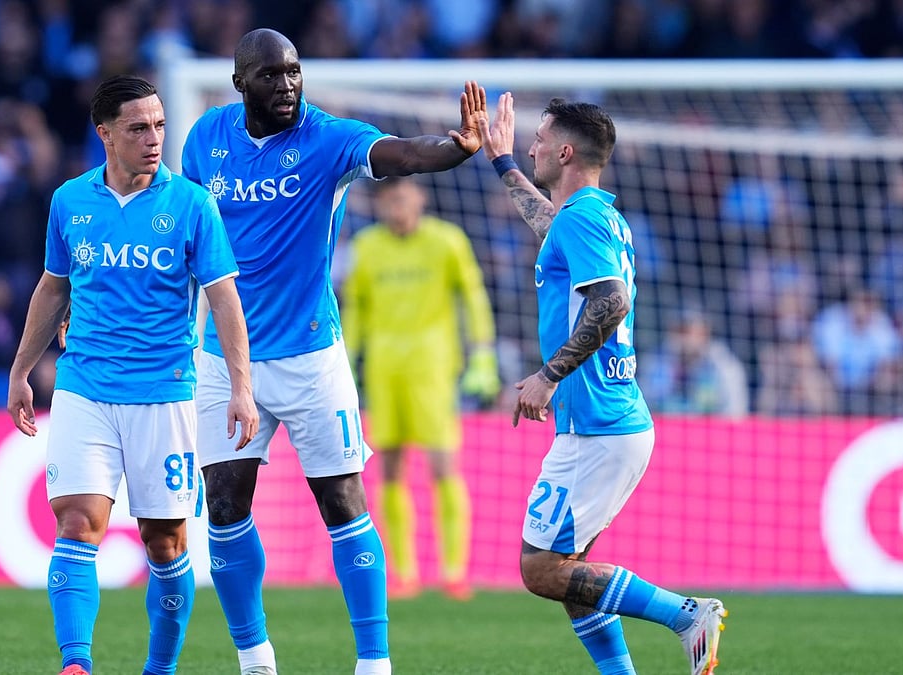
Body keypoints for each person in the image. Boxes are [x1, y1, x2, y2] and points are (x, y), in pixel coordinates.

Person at [179, 28, 487, 675]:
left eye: (293, 72)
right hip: (224, 358)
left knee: (344, 502)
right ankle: (254, 657)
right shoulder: (204, 140)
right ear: (241, 84)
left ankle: (374, 662)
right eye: (271, 75)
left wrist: (454, 149)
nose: (287, 85)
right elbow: (191, 236)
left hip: (312, 358)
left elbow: (399, 153)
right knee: (226, 505)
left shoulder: (327, 139)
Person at [7, 75, 259, 675]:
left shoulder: (193, 204)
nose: (154, 139)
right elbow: (53, 286)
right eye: (138, 128)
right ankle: (76, 664)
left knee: (165, 542)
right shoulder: (71, 201)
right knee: (76, 521)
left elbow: (224, 299)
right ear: (106, 135)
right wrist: (20, 370)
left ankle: (159, 670)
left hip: (164, 393)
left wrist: (242, 388)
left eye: (160, 126)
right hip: (84, 387)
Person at [480, 92, 727, 675]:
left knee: (541, 570)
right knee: (573, 576)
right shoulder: (588, 217)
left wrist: (547, 375)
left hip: (600, 425)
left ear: (565, 151)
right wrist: (502, 163)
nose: (532, 145)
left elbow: (610, 301)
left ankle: (686, 613)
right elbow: (549, 225)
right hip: (603, 420)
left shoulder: (586, 217)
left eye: (538, 139)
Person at [340, 176, 500, 601]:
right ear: (379, 204)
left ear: (420, 198)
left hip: (433, 368)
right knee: (389, 467)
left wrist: (483, 352)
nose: (397, 206)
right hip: (384, 369)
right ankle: (404, 572)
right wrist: (345, 362)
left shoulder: (447, 241)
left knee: (443, 465)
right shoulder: (367, 248)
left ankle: (454, 571)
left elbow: (473, 295)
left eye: (404, 197)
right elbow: (354, 309)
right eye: (389, 199)